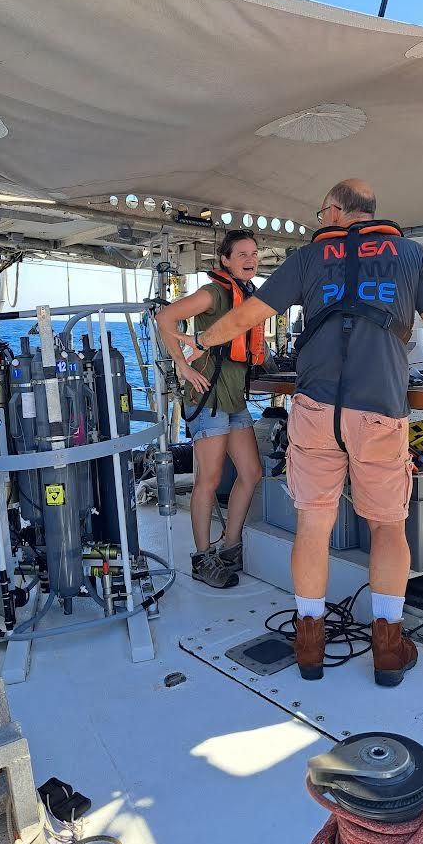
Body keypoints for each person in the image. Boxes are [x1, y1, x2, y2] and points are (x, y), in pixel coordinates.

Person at [178, 180, 423, 685]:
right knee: (387, 528)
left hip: (314, 411)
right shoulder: (410, 254)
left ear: (335, 212)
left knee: (314, 524)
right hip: (378, 413)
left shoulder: (309, 258)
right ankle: (387, 648)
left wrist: (201, 340)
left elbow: (250, 314)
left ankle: (309, 645)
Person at [156, 230, 265, 589]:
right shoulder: (214, 293)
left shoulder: (248, 295)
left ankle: (230, 547)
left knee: (251, 472)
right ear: (225, 260)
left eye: (254, 253)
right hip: (209, 398)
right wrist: (181, 366)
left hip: (233, 399)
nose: (251, 259)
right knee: (209, 479)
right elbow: (166, 318)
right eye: (242, 254)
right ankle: (203, 558)